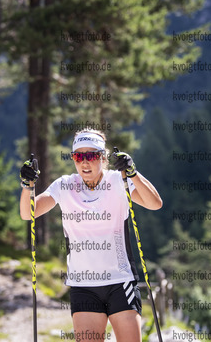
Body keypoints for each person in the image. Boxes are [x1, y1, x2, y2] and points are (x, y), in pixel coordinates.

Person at [19, 128, 162, 342]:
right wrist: (26, 185)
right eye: (79, 156)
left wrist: (133, 173)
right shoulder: (65, 185)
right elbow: (27, 213)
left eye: (91, 156)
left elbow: (155, 204)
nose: (84, 162)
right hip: (83, 285)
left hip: (120, 282)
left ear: (103, 158)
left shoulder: (117, 181)